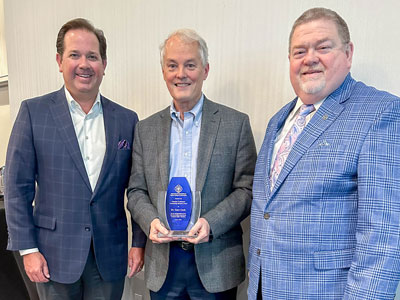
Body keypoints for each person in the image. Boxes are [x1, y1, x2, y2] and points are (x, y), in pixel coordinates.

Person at [248, 7, 400, 300]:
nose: (310, 58)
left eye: (323, 47)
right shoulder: (277, 120)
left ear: (348, 53)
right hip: (264, 289)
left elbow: (383, 238)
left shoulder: (381, 113)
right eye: (299, 51)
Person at [4, 18, 146, 300]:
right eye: (75, 55)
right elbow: (16, 187)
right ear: (59, 61)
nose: (84, 64)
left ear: (104, 64)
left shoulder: (127, 120)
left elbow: (138, 188)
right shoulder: (34, 113)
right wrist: (28, 250)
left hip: (109, 256)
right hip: (52, 256)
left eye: (92, 56)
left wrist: (138, 243)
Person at [127, 28, 257, 299]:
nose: (180, 74)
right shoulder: (145, 129)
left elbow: (247, 189)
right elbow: (136, 191)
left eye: (190, 65)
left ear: (206, 69)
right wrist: (150, 220)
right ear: (163, 71)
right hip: (163, 263)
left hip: (216, 260)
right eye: (172, 65)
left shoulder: (235, 124)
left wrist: (212, 222)